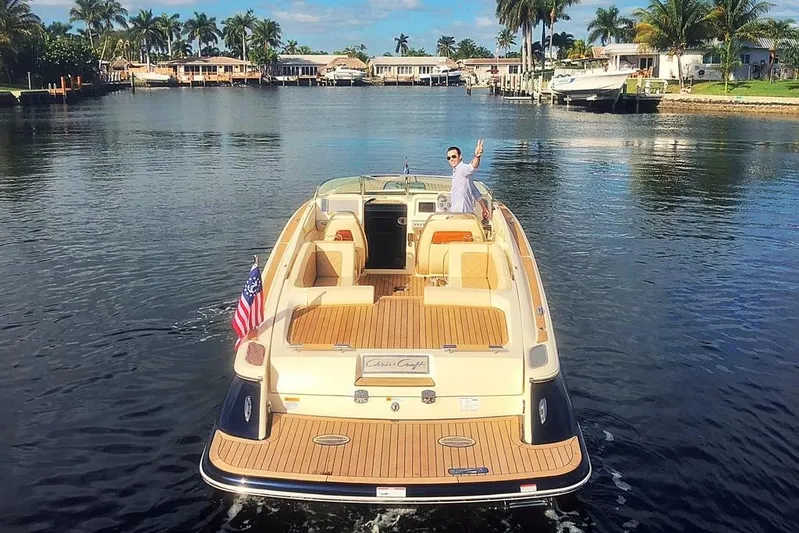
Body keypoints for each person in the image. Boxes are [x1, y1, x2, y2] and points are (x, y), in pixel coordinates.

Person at [446, 141, 490, 220]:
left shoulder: (462, 169)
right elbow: (474, 190)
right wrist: (484, 208)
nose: (451, 159)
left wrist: (477, 156)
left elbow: (473, 166)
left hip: (462, 213)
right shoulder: (456, 171)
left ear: (460, 156)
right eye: (449, 158)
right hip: (457, 212)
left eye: (453, 156)